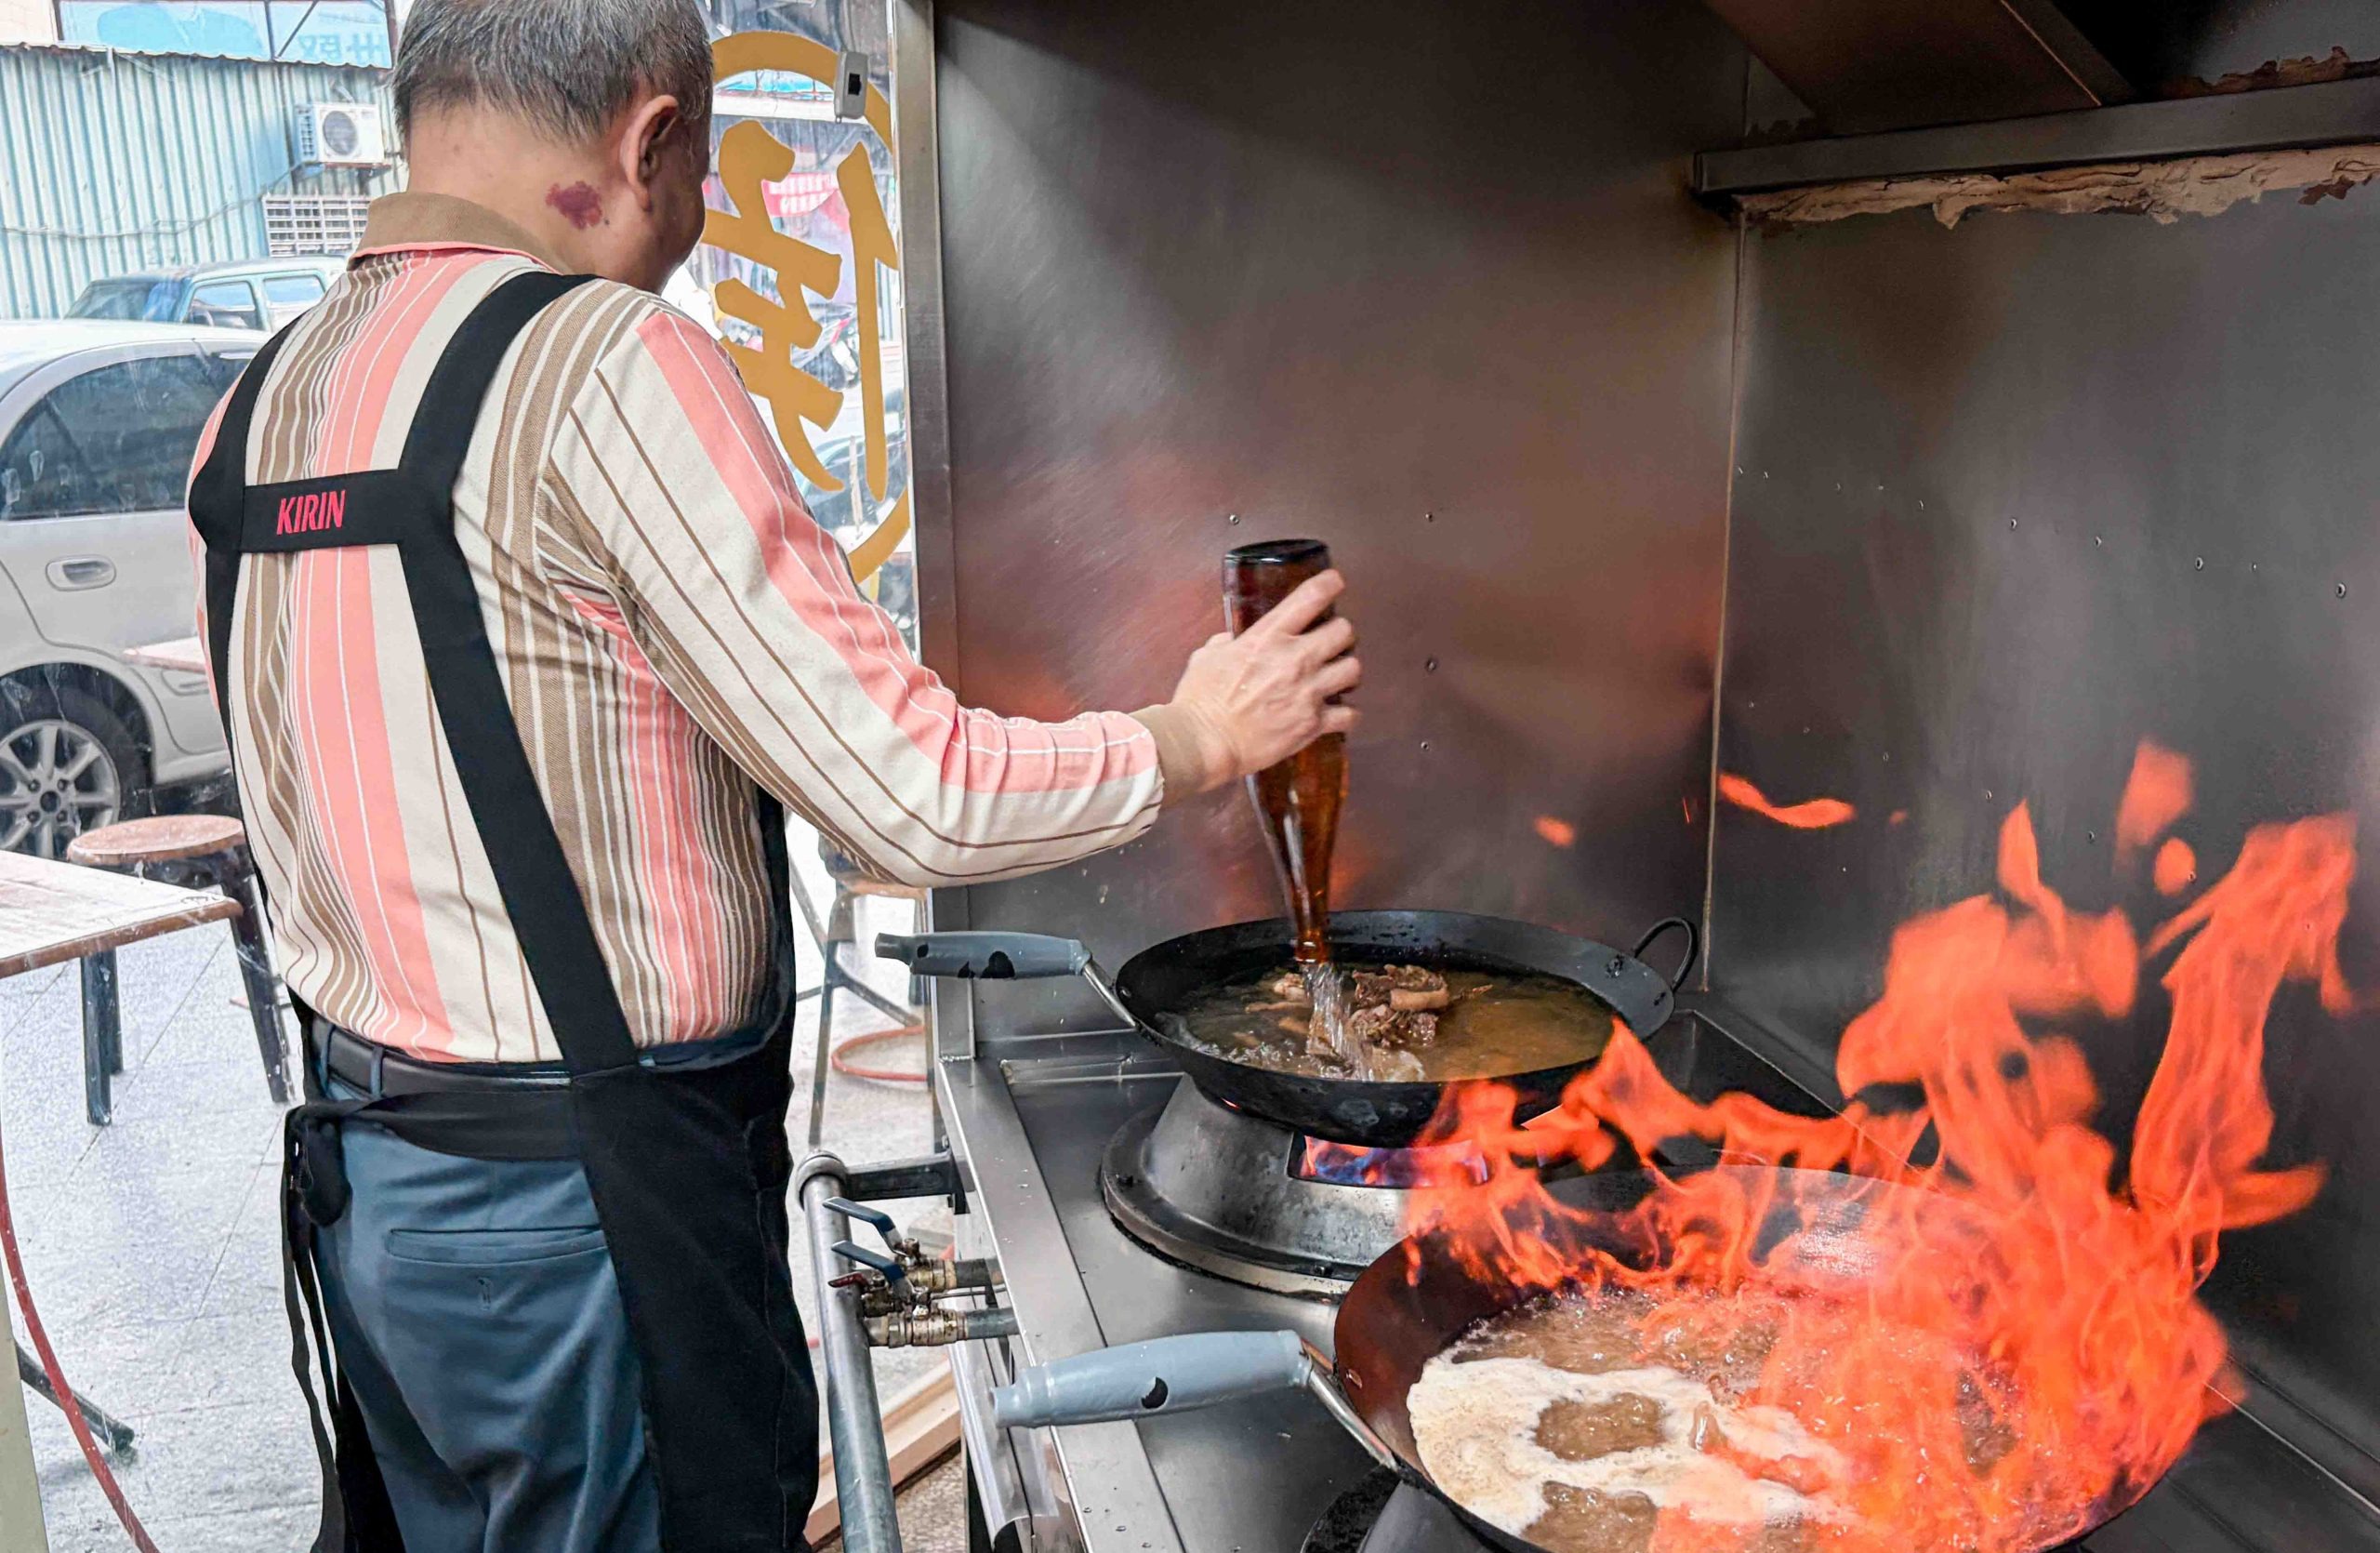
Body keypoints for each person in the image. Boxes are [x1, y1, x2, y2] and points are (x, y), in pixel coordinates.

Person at [183, 2, 1359, 1549]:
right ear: (650, 139)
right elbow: (905, 791)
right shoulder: (600, 367)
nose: (704, 220)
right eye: (708, 172)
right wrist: (1198, 735)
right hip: (583, 1228)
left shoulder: (256, 397)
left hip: (376, 1196)